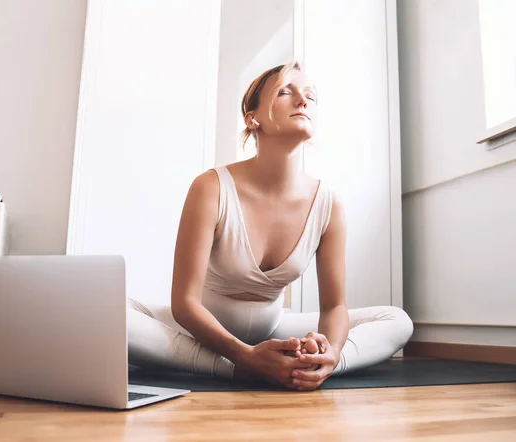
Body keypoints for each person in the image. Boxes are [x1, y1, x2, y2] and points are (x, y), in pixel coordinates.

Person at [127, 61, 413, 391]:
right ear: (253, 117)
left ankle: (311, 369)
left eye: (310, 95)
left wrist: (330, 354)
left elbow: (334, 306)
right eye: (284, 92)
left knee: (397, 321)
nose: (302, 101)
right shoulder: (211, 187)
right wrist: (245, 357)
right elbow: (184, 304)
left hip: (273, 327)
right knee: (109, 314)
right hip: (199, 331)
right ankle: (234, 368)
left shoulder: (328, 204)